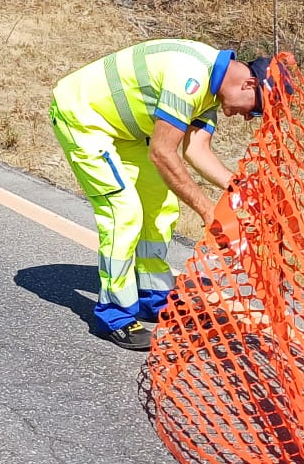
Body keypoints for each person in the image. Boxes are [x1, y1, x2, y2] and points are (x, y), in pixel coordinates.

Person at [48, 40, 273, 350]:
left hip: (124, 132)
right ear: (249, 84)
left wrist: (241, 190)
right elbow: (163, 153)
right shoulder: (191, 77)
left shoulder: (211, 90)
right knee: (123, 211)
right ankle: (114, 314)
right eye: (257, 109)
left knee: (161, 204)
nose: (249, 118)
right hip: (83, 118)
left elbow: (196, 149)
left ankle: (152, 296)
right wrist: (208, 211)